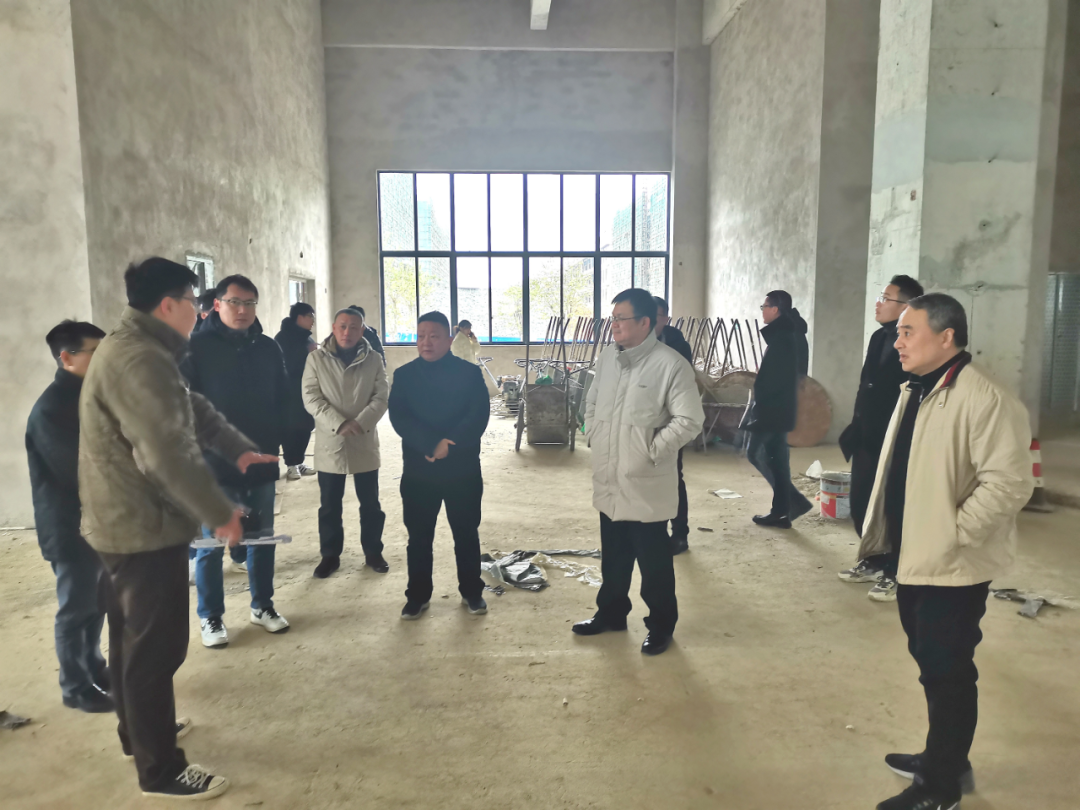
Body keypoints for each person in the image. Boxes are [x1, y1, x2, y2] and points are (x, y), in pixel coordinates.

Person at [80, 257, 276, 801]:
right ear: (169, 305)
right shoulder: (139, 358)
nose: (201, 310)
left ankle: (139, 733)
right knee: (155, 649)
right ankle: (160, 770)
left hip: (120, 522)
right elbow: (166, 454)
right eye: (195, 301)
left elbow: (190, 408)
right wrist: (220, 512)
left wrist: (237, 449)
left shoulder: (139, 348)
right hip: (142, 528)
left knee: (130, 638)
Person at [859, 294, 1032, 810]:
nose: (897, 341)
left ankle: (940, 788)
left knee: (947, 669)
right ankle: (945, 756)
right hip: (914, 556)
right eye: (898, 331)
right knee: (930, 660)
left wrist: (953, 534)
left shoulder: (986, 398)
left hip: (952, 565)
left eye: (908, 331)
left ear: (946, 336)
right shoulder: (919, 389)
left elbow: (1009, 484)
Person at [573, 290, 703, 656]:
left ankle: (661, 625)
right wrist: (593, 433)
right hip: (609, 476)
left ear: (645, 323)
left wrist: (651, 451)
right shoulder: (608, 358)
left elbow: (690, 419)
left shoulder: (670, 365)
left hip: (645, 483)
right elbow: (591, 401)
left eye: (621, 319)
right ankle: (611, 614)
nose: (613, 325)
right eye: (612, 318)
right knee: (613, 557)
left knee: (653, 564)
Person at [184, 275, 291, 648]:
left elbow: (282, 398)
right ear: (217, 304)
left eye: (249, 303)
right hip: (215, 464)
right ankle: (210, 616)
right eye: (235, 302)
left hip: (261, 458)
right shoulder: (195, 348)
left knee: (261, 537)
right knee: (212, 543)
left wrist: (282, 442)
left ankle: (262, 606)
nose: (243, 310)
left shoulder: (268, 347)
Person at [26, 320, 112, 713]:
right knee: (76, 609)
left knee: (97, 603)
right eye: (96, 351)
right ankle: (75, 687)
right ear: (67, 358)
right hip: (69, 526)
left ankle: (94, 667)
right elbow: (78, 469)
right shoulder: (51, 409)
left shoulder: (91, 395)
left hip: (100, 521)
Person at [388, 311, 490, 620]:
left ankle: (472, 591)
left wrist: (450, 443)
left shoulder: (469, 374)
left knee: (466, 533)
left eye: (433, 336)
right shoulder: (404, 375)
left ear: (449, 339)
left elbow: (478, 415)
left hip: (462, 469)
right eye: (421, 336)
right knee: (419, 537)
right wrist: (431, 444)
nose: (426, 342)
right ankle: (417, 596)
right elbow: (399, 417)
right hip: (419, 470)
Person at [837, 275, 924, 602]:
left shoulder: (917, 343)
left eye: (886, 298)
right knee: (862, 500)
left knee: (894, 506)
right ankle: (873, 559)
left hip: (896, 437)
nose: (878, 303)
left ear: (907, 306)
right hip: (867, 434)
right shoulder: (878, 337)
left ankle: (896, 571)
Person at [303, 306, 389, 578]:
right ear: (333, 328)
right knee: (330, 505)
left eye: (354, 327)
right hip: (332, 438)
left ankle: (373, 552)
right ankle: (330, 556)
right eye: (342, 326)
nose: (347, 332)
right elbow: (310, 397)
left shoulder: (373, 359)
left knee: (370, 503)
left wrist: (361, 422)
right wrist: (339, 422)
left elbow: (381, 396)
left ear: (362, 330)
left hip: (363, 437)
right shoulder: (316, 359)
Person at [742, 290, 813, 528]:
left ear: (775, 309)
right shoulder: (790, 333)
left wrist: (760, 411)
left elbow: (777, 380)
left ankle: (791, 503)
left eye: (764, 306)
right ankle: (783, 510)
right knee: (777, 459)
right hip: (781, 407)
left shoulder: (784, 337)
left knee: (757, 453)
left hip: (774, 409)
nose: (762, 311)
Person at [653, 297, 694, 555]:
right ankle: (651, 533)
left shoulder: (678, 346)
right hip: (639, 423)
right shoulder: (631, 344)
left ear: (666, 319)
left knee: (671, 478)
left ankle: (680, 535)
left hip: (670, 422)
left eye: (655, 316)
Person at [275, 302, 318, 480]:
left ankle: (299, 461)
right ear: (300, 317)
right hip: (290, 391)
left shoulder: (307, 338)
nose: (313, 321)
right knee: (291, 427)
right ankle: (291, 464)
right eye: (310, 317)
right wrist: (307, 354)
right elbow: (285, 365)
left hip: (307, 390)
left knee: (306, 426)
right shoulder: (283, 338)